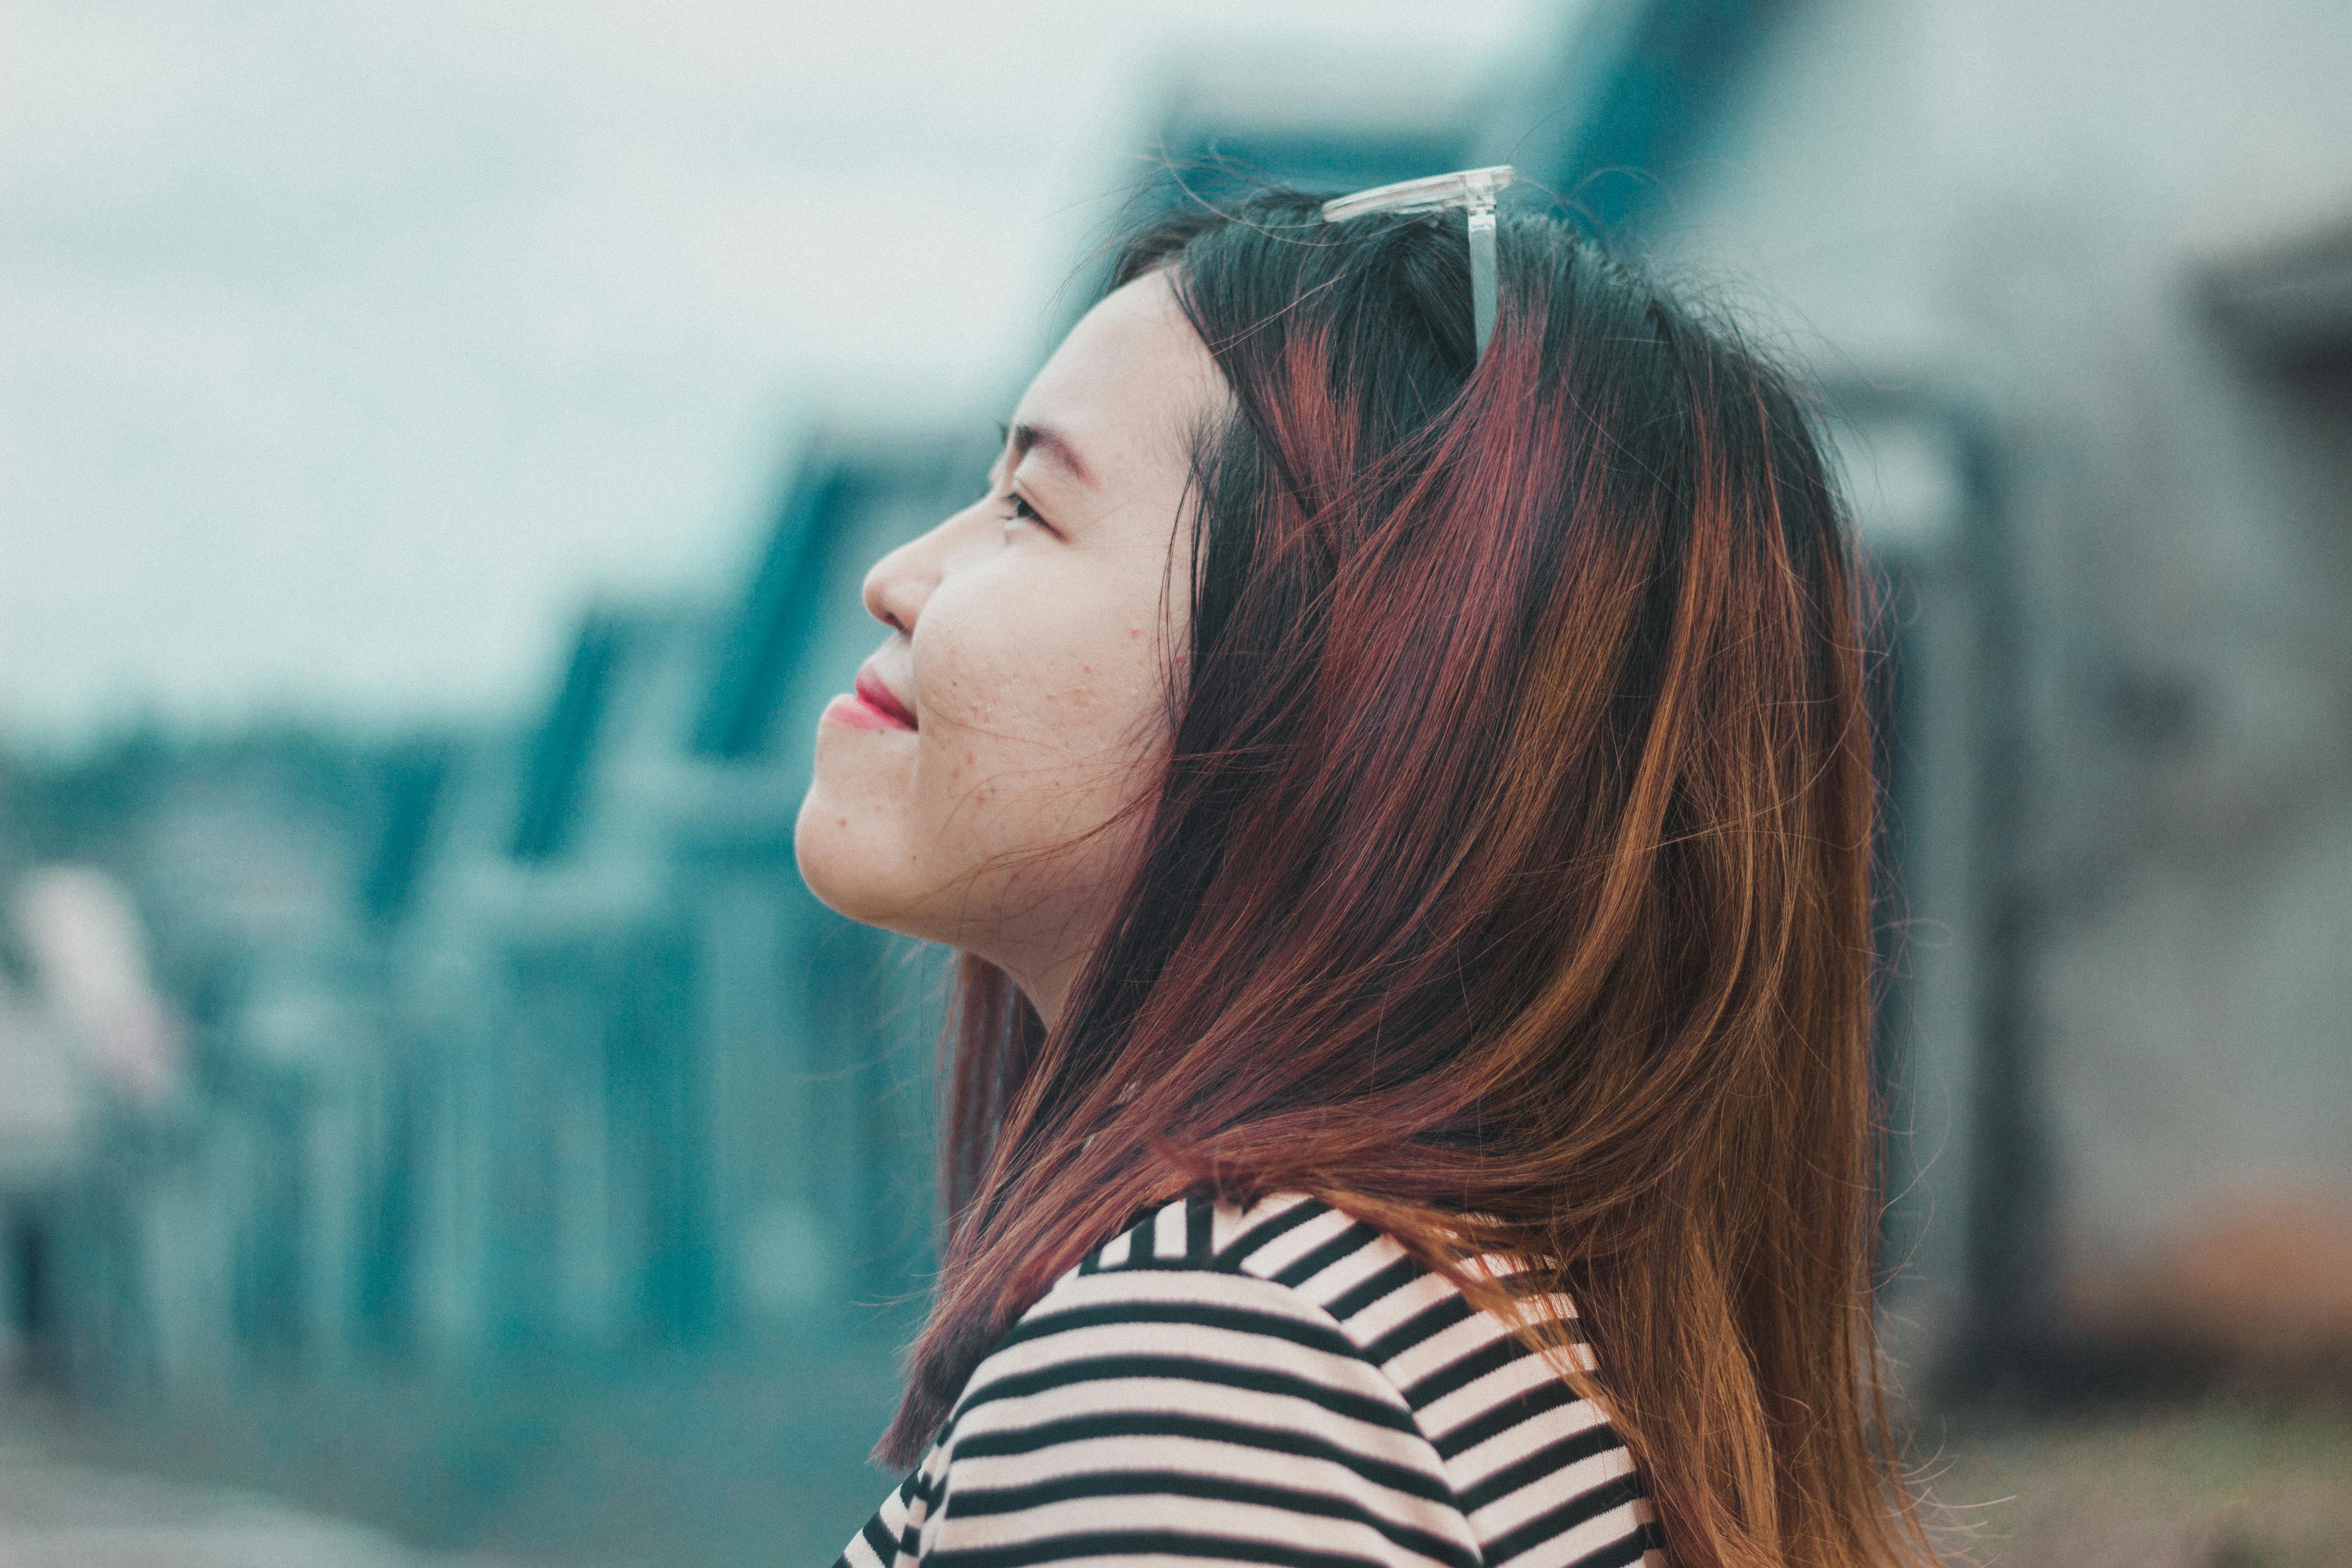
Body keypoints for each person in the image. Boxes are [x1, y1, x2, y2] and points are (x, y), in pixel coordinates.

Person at [797, 178, 1929, 1568]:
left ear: (1357, 691)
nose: (900, 575)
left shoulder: (1205, 1379)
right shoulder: (1445, 1318)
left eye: (1031, 506)